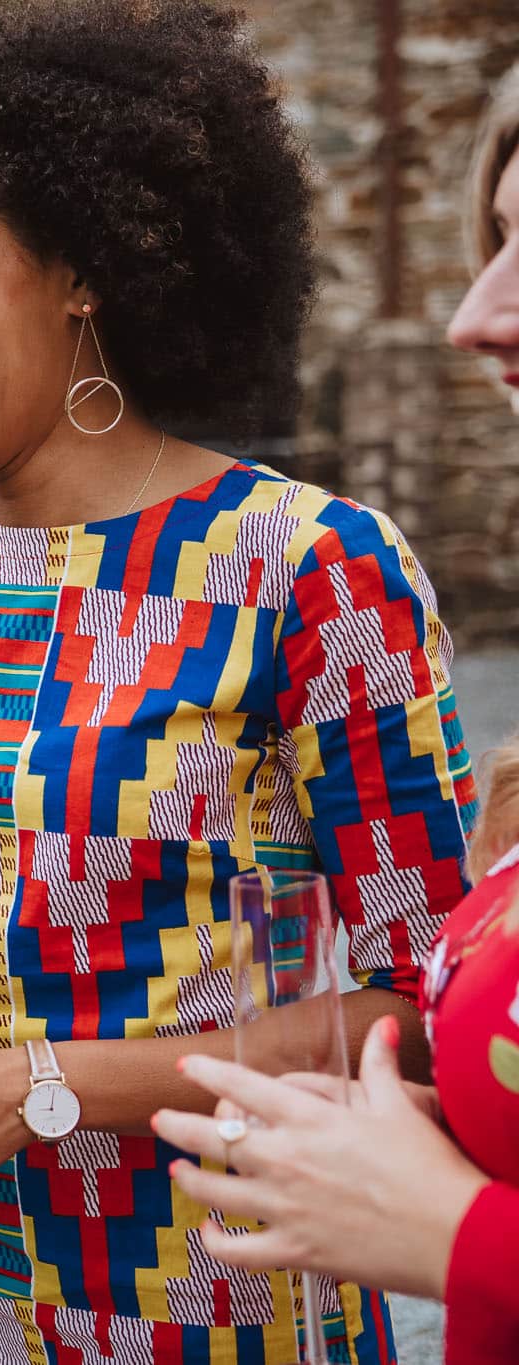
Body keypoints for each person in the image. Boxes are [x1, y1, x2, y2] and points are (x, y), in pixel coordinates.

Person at [0, 2, 478, 1360]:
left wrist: (43, 1088)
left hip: (219, 1287)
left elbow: (426, 1012)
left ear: (78, 266)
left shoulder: (309, 568)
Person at [154, 62, 519, 1365]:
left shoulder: (319, 561)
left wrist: (457, 1233)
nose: (477, 315)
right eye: (496, 242)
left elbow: (393, 965)